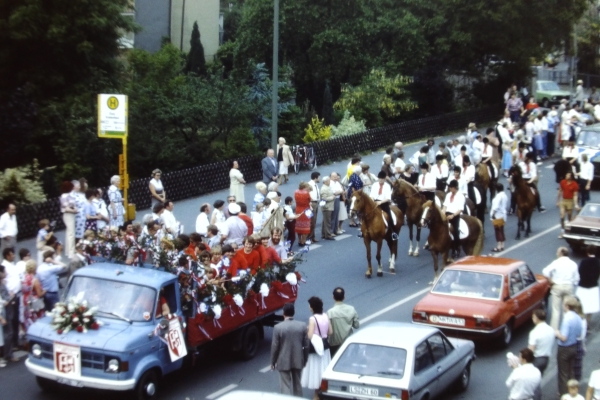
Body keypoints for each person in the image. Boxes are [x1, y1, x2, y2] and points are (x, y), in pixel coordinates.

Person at [270, 303, 309, 397]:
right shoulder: (302, 326)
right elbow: (306, 345)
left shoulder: (278, 327)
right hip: (298, 359)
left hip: (283, 360)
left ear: (283, 313)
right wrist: (305, 359)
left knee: (285, 386)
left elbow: (275, 346)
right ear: (294, 313)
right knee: (297, 384)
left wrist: (273, 362)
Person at [301, 296, 333, 400]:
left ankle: (317, 395)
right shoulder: (325, 316)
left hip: (315, 348)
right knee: (323, 370)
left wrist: (307, 330)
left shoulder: (312, 319)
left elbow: (310, 336)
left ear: (312, 307)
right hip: (325, 348)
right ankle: (320, 392)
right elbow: (330, 332)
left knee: (316, 371)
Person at [543, 247, 580, 329]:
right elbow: (577, 279)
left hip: (557, 286)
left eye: (557, 252)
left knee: (556, 310)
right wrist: (571, 284)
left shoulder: (556, 262)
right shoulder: (573, 264)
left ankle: (554, 329)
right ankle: (566, 328)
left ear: (561, 253)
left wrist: (551, 280)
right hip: (568, 287)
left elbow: (545, 271)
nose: (556, 254)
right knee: (567, 309)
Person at [556, 296, 584, 396]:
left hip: (564, 349)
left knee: (563, 374)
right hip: (574, 346)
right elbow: (579, 334)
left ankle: (564, 395)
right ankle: (573, 393)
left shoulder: (567, 318)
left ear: (567, 306)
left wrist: (557, 333)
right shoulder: (578, 317)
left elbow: (563, 337)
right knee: (571, 372)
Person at [327, 287, 359, 356]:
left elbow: (328, 331)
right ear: (344, 297)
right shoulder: (351, 309)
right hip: (349, 342)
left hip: (335, 345)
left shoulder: (330, 313)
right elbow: (356, 325)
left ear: (333, 297)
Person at [1, 247, 19, 361]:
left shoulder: (2, 283)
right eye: (4, 272)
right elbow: (4, 298)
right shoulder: (1, 284)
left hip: (7, 307)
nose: (5, 273)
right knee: (9, 332)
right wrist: (11, 297)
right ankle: (8, 354)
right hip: (5, 309)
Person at [576, 246, 600, 326]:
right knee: (590, 307)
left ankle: (581, 323)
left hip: (583, 286)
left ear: (587, 252)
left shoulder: (584, 261)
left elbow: (579, 272)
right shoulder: (598, 262)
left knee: (581, 305)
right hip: (593, 287)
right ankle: (587, 323)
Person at [369, 171, 396, 239]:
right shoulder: (375, 185)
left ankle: (393, 232)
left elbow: (388, 198)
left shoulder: (387, 186)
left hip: (383, 203)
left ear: (384, 179)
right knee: (366, 214)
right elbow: (372, 195)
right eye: (379, 179)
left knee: (390, 216)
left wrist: (380, 202)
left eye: (382, 179)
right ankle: (363, 230)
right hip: (374, 202)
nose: (380, 180)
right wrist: (372, 200)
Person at [442, 180, 465, 258]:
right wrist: (442, 213)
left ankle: (456, 247)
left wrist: (453, 215)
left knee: (455, 230)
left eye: (451, 188)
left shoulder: (461, 196)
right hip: (447, 213)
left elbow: (460, 209)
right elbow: (445, 206)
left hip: (455, 215)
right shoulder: (448, 195)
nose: (450, 189)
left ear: (455, 188)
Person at [528, 309, 555, 375]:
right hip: (546, 360)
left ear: (537, 319)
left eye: (533, 317)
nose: (532, 318)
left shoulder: (534, 332)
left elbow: (531, 351)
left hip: (536, 360)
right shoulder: (551, 329)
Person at [21, 260, 45, 331]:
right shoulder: (34, 280)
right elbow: (39, 294)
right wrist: (45, 291)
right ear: (34, 268)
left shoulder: (24, 279)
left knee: (28, 317)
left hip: (26, 300)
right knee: (36, 319)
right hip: (34, 302)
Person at [558, 171, 580, 239]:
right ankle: (562, 231)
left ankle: (570, 230)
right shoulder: (563, 182)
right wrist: (558, 200)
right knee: (562, 216)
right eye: (566, 174)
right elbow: (560, 191)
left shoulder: (574, 184)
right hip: (564, 200)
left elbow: (575, 195)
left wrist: (576, 204)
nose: (566, 176)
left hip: (570, 201)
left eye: (568, 175)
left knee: (569, 217)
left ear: (571, 177)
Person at [490, 182, 508, 252]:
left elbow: (496, 206)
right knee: (502, 230)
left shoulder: (498, 196)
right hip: (503, 215)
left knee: (498, 231)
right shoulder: (505, 195)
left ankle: (499, 246)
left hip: (497, 215)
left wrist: (493, 214)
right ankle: (502, 245)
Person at [294, 182, 311, 247]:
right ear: (304, 187)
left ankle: (299, 240)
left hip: (298, 209)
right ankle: (303, 241)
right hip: (305, 210)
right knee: (305, 226)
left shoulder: (296, 192)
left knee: (299, 225)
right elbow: (309, 200)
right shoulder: (306, 193)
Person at [307, 172, 321, 243]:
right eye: (319, 177)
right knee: (312, 221)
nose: (319, 178)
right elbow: (308, 194)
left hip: (316, 202)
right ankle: (309, 237)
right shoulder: (310, 184)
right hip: (312, 203)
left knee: (314, 221)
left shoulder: (315, 184)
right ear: (316, 177)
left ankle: (312, 236)